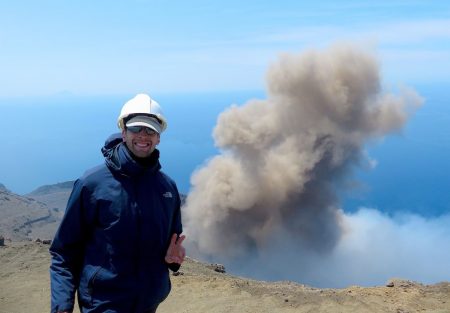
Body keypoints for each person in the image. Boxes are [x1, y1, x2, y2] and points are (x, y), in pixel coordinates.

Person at [49, 93, 186, 313]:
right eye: (136, 129)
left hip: (148, 305)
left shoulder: (167, 189)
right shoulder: (91, 184)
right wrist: (62, 307)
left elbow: (172, 242)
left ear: (159, 137)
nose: (143, 135)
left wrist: (172, 261)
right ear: (123, 132)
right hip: (103, 305)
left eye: (150, 130)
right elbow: (64, 252)